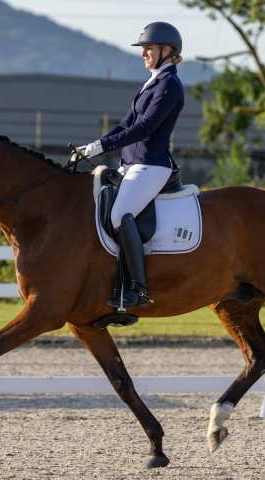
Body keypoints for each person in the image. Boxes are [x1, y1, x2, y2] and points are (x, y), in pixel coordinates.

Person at [77, 21, 185, 310]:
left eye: (148, 48)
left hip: (151, 165)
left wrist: (103, 147)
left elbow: (145, 127)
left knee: (119, 215)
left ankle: (137, 289)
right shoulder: (151, 82)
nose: (143, 54)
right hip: (131, 163)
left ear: (168, 50)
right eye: (144, 48)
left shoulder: (169, 85)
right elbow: (126, 124)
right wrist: (95, 145)